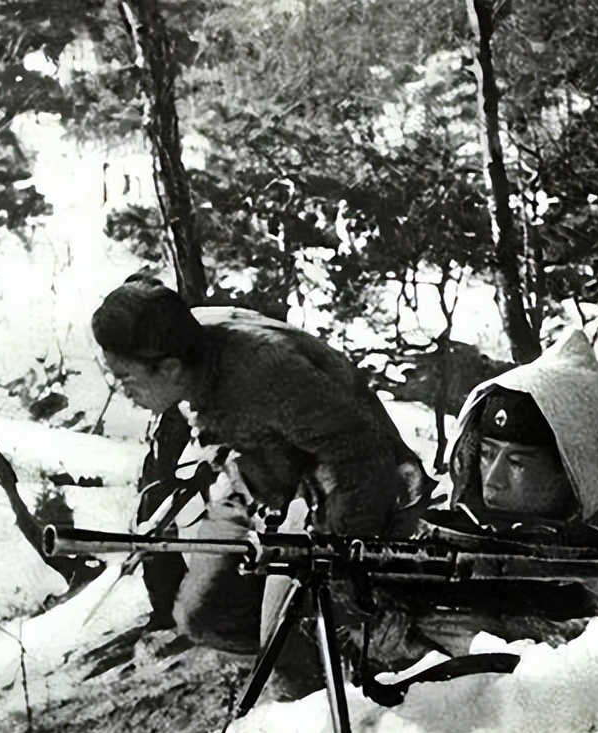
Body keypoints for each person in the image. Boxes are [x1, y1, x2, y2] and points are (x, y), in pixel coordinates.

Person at [91, 276, 437, 677]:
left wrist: (338, 563)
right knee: (203, 614)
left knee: (287, 631)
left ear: (169, 368)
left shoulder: (264, 372)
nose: (122, 391)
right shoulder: (183, 339)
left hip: (351, 487)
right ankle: (315, 653)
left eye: (127, 379)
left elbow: (359, 453)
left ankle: (332, 667)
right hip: (266, 478)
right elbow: (225, 422)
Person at [405, 330, 598, 657]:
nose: (493, 479)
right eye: (487, 454)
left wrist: (507, 630)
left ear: (569, 469)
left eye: (517, 462)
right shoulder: (460, 525)